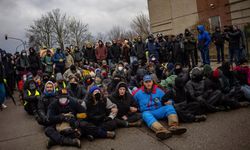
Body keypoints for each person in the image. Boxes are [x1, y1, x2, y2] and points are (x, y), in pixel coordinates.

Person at [133, 75, 187, 140]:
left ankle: (174, 126)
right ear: (143, 83)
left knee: (169, 107)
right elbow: (132, 103)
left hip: (159, 110)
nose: (148, 83)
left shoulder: (159, 90)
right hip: (148, 112)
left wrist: (170, 101)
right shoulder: (138, 93)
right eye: (146, 82)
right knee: (145, 114)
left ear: (152, 82)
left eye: (149, 81)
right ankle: (161, 130)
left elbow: (167, 98)